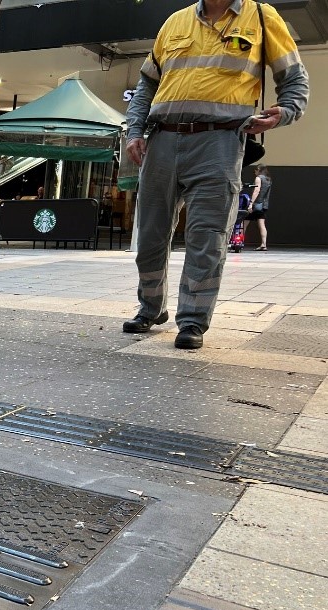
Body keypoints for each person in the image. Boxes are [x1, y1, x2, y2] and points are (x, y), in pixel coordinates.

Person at [123, 0, 308, 350]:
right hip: (161, 139)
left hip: (219, 141)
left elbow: (295, 78)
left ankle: (192, 320)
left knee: (206, 237)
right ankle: (150, 307)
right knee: (149, 235)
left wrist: (284, 112)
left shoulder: (262, 18)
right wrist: (135, 130)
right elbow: (146, 84)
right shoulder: (175, 22)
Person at [245, 163, 272, 250]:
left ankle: (239, 242)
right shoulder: (268, 179)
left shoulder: (258, 178)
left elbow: (256, 191)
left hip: (256, 205)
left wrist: (251, 203)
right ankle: (263, 244)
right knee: (262, 225)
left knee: (244, 223)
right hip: (263, 205)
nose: (255, 172)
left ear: (259, 170)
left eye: (255, 170)